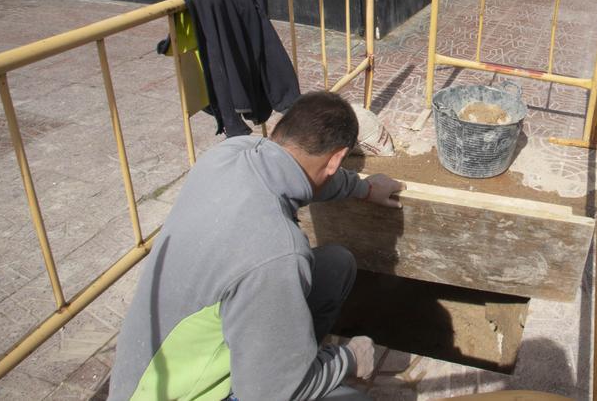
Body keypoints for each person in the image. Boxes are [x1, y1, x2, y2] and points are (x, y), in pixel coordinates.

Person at [108, 91, 405, 400]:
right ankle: (282, 367)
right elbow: (270, 394)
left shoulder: (229, 154)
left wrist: (363, 188)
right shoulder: (278, 253)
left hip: (144, 371)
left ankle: (286, 358)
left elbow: (299, 176)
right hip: (183, 394)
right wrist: (350, 359)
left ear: (281, 130)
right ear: (337, 159)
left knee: (334, 265)